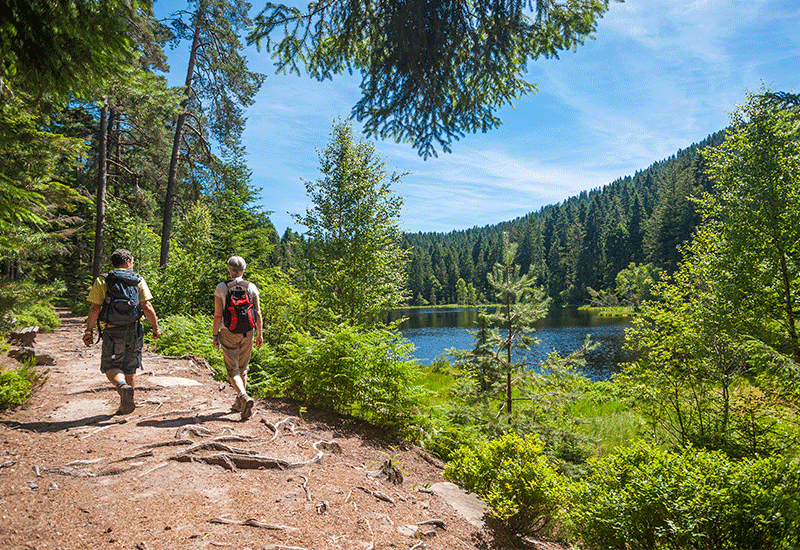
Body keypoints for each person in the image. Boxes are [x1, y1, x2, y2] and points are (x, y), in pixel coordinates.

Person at [83, 249, 161, 414]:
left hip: (112, 331)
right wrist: (155, 327)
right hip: (134, 330)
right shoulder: (138, 280)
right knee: (130, 366)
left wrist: (89, 330)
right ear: (128, 262)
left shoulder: (103, 280)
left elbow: (95, 308)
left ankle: (122, 387)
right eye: (132, 262)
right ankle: (126, 402)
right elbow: (146, 307)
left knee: (110, 366)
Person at [212, 256, 263, 421]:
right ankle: (239, 404)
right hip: (248, 331)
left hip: (228, 331)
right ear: (244, 269)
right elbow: (258, 313)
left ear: (229, 269)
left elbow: (218, 314)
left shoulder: (222, 287)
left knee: (232, 370)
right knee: (243, 368)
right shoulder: (251, 287)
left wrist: (215, 335)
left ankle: (242, 396)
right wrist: (260, 334)